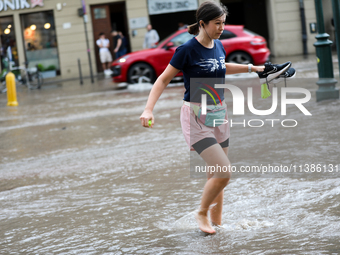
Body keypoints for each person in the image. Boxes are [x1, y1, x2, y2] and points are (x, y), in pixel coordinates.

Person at [139, 1, 291, 234]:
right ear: (202, 23)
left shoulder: (219, 46)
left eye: (223, 23)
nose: (222, 27)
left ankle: (216, 225)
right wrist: (148, 109)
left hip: (218, 112)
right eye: (217, 23)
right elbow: (162, 79)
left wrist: (258, 69)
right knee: (223, 172)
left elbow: (221, 66)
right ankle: (201, 213)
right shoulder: (186, 50)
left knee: (216, 175)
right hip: (196, 115)